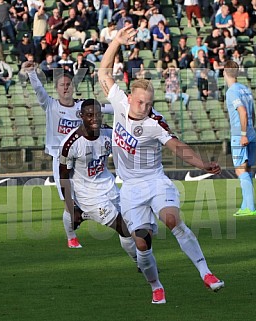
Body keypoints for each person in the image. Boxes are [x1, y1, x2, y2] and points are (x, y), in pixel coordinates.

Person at [98, 25, 225, 304]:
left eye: (149, 103)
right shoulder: (119, 102)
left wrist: (202, 163)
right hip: (130, 188)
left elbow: (177, 147)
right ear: (130, 98)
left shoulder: (155, 122)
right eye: (141, 102)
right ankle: (156, 285)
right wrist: (116, 42)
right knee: (141, 241)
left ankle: (206, 272)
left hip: (155, 181)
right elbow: (103, 73)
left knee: (171, 219)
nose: (145, 108)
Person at [21, 62, 113, 249]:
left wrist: (126, 107)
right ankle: (71, 237)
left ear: (73, 87)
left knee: (97, 195)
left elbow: (104, 108)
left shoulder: (82, 106)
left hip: (83, 159)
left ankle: (95, 215)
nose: (65, 87)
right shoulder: (51, 105)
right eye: (62, 85)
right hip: (61, 159)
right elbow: (39, 91)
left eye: (68, 84)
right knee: (68, 201)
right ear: (56, 89)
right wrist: (31, 73)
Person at [58, 98, 137, 267]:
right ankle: (140, 262)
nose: (95, 119)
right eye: (89, 115)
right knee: (124, 228)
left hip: (109, 187)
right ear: (81, 116)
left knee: (133, 222)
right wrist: (71, 209)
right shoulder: (69, 144)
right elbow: (64, 177)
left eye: (98, 115)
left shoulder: (108, 133)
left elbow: (128, 137)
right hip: (88, 196)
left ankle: (86, 214)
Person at [223, 60, 256, 217]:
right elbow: (252, 112)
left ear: (225, 72)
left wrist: (243, 134)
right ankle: (245, 206)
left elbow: (243, 112)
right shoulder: (245, 89)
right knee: (247, 169)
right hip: (251, 131)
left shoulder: (232, 92)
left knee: (240, 169)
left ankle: (250, 207)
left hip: (240, 134)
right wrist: (250, 130)